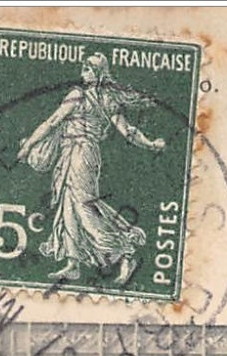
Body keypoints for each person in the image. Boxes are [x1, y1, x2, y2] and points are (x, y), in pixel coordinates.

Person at [15, 53, 166, 284]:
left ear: (97, 73)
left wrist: (28, 146)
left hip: (80, 154)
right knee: (69, 206)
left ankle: (125, 252)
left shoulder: (77, 95)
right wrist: (151, 144)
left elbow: (52, 122)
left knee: (84, 208)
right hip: (78, 154)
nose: (82, 72)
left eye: (86, 68)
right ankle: (73, 263)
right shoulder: (108, 100)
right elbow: (129, 132)